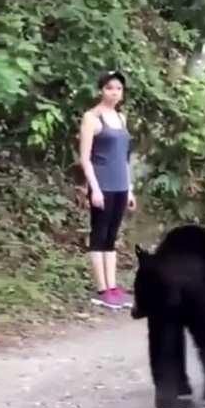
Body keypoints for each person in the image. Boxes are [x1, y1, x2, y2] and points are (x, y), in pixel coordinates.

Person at [79, 70, 136, 309]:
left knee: (112, 236)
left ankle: (113, 287)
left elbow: (124, 158)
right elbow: (85, 158)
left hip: (120, 184)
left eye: (119, 89)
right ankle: (102, 290)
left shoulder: (121, 119)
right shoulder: (92, 117)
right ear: (101, 90)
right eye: (110, 88)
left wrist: (130, 188)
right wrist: (95, 188)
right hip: (101, 185)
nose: (114, 92)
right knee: (99, 234)